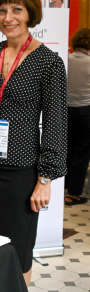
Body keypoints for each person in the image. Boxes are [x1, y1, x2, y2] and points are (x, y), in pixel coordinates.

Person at [0, 0, 67, 287]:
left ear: (30, 13)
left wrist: (45, 179)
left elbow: (56, 123)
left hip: (20, 173)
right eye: (1, 10)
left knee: (18, 251)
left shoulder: (48, 62)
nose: (8, 18)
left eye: (17, 10)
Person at [65, 28, 90, 205]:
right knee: (81, 154)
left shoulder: (66, 60)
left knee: (66, 151)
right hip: (86, 111)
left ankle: (62, 188)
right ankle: (73, 194)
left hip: (66, 111)